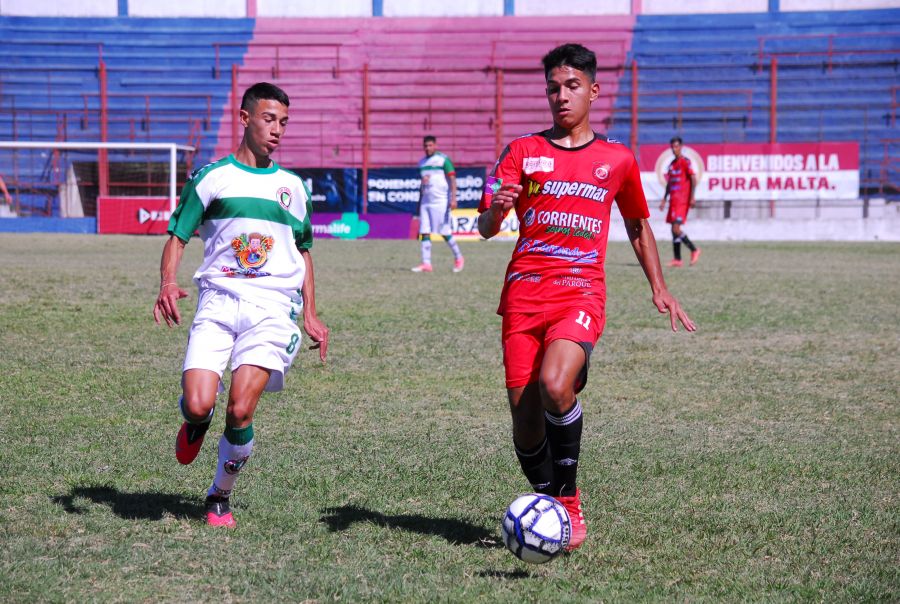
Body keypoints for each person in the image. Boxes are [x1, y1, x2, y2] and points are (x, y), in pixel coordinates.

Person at [478, 44, 695, 552]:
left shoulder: (617, 159)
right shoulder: (520, 151)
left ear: (593, 91)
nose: (561, 96)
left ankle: (569, 500)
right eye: (553, 88)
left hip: (580, 291)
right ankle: (546, 500)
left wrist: (660, 288)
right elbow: (486, 226)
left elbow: (637, 225)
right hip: (523, 295)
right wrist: (498, 210)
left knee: (555, 384)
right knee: (525, 424)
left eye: (572, 86)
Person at [153, 82, 329, 528]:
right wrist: (168, 282)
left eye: (283, 122)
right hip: (218, 301)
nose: (277, 130)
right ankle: (197, 421)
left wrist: (310, 312)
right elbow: (177, 236)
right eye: (269, 119)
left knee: (241, 409)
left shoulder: (293, 187)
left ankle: (219, 496)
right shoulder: (211, 177)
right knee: (198, 404)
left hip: (273, 308)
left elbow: (303, 251)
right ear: (245, 118)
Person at [411, 135, 465, 273]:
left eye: (430, 145)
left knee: (444, 231)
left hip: (440, 201)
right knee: (424, 231)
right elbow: (422, 183)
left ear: (435, 145)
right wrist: (419, 202)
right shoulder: (421, 163)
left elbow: (452, 179)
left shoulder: (443, 160)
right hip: (425, 201)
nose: (428, 148)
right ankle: (426, 263)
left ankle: (459, 257)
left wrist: (453, 198)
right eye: (425, 145)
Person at [659, 136, 701, 267]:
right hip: (673, 201)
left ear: (681, 147)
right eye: (672, 147)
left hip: (682, 201)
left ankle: (694, 249)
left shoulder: (685, 162)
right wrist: (664, 199)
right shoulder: (672, 164)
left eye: (676, 146)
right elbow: (669, 184)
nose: (674, 149)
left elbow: (693, 179)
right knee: (673, 229)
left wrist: (692, 197)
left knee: (676, 228)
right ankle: (677, 259)